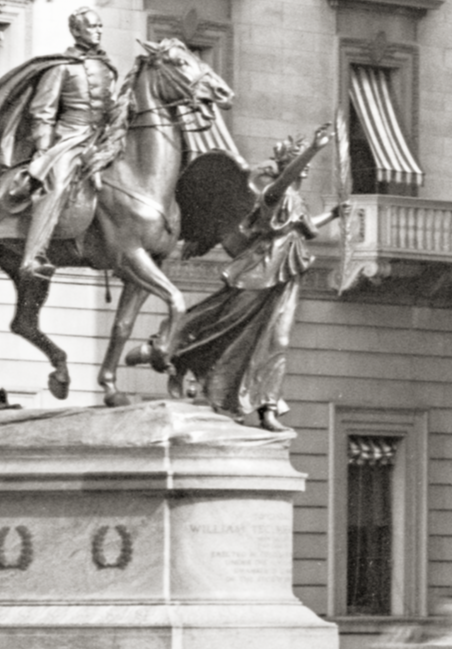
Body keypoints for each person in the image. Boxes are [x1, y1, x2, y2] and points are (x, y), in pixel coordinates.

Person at [132, 126, 347, 433]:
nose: (307, 168)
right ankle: (170, 351)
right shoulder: (274, 194)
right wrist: (313, 148)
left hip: (288, 274)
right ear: (287, 167)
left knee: (278, 341)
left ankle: (267, 408)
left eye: (306, 163)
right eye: (300, 162)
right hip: (261, 270)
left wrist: (335, 214)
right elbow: (284, 184)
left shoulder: (297, 202)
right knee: (224, 321)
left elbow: (307, 228)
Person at [0, 8, 118, 278]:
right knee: (55, 186)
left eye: (100, 26)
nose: (98, 31)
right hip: (69, 139)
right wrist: (44, 148)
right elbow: (42, 110)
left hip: (101, 139)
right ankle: (33, 255)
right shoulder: (61, 67)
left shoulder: (107, 68)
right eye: (92, 26)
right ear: (77, 31)